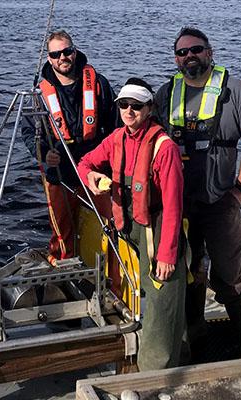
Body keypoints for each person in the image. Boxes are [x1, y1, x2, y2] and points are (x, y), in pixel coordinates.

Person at [153, 27, 241, 360]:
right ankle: (196, 337)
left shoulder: (235, 91)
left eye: (196, 50)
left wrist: (240, 189)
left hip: (220, 202)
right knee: (189, 273)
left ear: (209, 52)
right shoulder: (165, 93)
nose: (190, 56)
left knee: (230, 276)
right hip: (179, 204)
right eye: (183, 52)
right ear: (176, 59)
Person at [78, 78, 186, 370]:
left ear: (149, 109)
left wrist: (167, 254)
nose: (129, 111)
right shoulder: (115, 140)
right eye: (123, 105)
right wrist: (92, 178)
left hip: (160, 230)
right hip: (131, 228)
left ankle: (155, 374)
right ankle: (173, 358)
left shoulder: (165, 149)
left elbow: (174, 205)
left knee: (161, 303)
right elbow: (84, 164)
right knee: (152, 298)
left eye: (136, 106)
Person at [21, 29, 117, 267]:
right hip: (60, 172)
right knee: (63, 231)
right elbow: (28, 132)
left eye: (67, 51)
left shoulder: (98, 83)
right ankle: (64, 267)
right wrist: (43, 154)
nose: (62, 57)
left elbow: (115, 125)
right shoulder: (39, 94)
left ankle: (109, 272)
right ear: (49, 58)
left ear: (74, 52)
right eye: (56, 54)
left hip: (95, 168)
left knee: (111, 223)